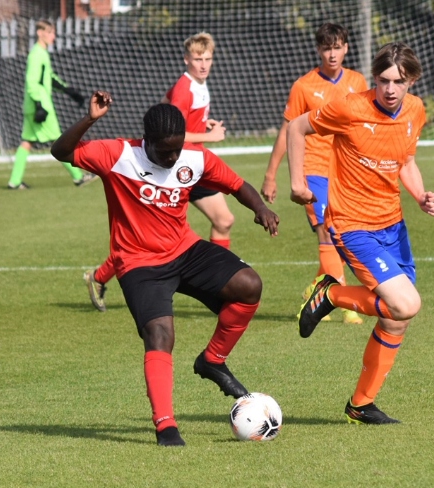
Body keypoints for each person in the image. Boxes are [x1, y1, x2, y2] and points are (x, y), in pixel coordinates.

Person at [52, 92, 279, 446]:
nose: (172, 157)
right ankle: (166, 426)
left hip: (185, 250)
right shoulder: (118, 155)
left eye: (177, 149)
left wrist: (260, 208)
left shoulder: (194, 158)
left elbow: (237, 185)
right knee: (160, 335)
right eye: (164, 151)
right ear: (147, 142)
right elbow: (61, 152)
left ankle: (212, 361)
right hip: (138, 263)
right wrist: (90, 119)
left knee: (249, 284)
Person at [288, 43, 434, 425]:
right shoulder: (350, 107)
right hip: (351, 224)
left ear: (412, 81)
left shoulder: (415, 111)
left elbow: (406, 161)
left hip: (392, 223)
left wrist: (420, 195)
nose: (390, 89)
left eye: (399, 82)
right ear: (375, 78)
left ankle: (361, 404)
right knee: (406, 304)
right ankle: (332, 293)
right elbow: (296, 127)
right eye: (384, 80)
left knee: (395, 316)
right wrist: (296, 182)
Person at [83, 32, 235, 312]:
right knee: (149, 238)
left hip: (188, 165)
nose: (203, 64)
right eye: (197, 59)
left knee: (222, 220)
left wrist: (203, 126)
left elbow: (170, 107)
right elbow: (172, 133)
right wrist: (211, 137)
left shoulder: (198, 85)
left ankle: (99, 276)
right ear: (186, 59)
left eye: (208, 59)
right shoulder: (185, 87)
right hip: (174, 167)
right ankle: (219, 285)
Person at [261, 23, 367, 325]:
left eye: (337, 47)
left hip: (346, 172)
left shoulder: (358, 82)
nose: (332, 54)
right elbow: (288, 130)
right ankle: (344, 301)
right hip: (313, 170)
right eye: (326, 48)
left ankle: (318, 287)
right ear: (318, 50)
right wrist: (271, 174)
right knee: (325, 229)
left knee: (343, 234)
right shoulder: (304, 86)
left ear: (346, 48)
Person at [7, 19, 94, 190]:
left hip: (33, 105)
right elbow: (32, 82)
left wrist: (69, 91)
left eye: (54, 32)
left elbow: (49, 78)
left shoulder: (41, 53)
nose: (53, 36)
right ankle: (78, 177)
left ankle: (14, 181)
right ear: (40, 33)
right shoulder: (36, 55)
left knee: (26, 142)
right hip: (40, 107)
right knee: (60, 141)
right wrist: (40, 105)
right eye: (50, 32)